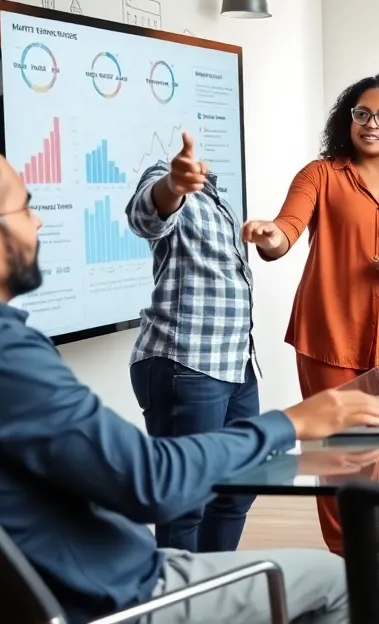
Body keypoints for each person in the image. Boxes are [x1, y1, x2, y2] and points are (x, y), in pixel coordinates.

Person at [0, 123, 379, 624]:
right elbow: (152, 483)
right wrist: (291, 422)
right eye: (25, 206)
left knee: (231, 496)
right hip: (114, 594)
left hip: (63, 576)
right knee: (339, 581)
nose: (37, 223)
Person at [240, 73, 379, 554]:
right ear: (347, 119)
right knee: (339, 456)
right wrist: (270, 236)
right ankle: (347, 561)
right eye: (361, 113)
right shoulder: (320, 175)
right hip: (330, 338)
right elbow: (287, 229)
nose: (371, 124)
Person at [123, 131, 260, 554]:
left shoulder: (220, 201)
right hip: (186, 364)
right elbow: (145, 216)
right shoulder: (167, 179)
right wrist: (172, 187)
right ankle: (181, 609)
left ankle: (212, 591)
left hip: (235, 363)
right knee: (187, 502)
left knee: (238, 489)